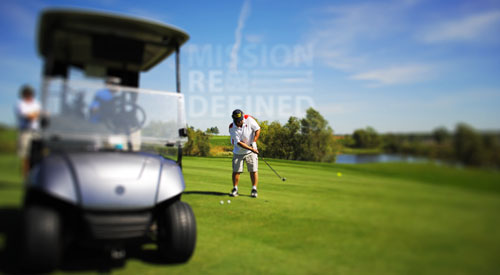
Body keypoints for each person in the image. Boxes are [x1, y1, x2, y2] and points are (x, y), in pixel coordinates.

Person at [229, 109, 261, 198]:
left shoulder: (249, 119)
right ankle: (235, 189)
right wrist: (251, 148)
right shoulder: (232, 127)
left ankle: (254, 189)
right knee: (236, 171)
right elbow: (239, 143)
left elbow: (258, 129)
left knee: (253, 170)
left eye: (241, 119)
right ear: (234, 120)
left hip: (251, 151)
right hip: (238, 152)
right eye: (238, 120)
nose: (240, 122)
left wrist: (254, 142)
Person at [15, 85, 41, 178]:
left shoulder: (36, 103)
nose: (29, 95)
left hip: (36, 132)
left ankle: (35, 177)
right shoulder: (20, 104)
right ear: (24, 94)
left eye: (30, 93)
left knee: (36, 156)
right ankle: (26, 179)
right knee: (26, 157)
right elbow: (30, 117)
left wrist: (36, 114)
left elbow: (39, 114)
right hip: (25, 132)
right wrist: (37, 113)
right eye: (27, 93)